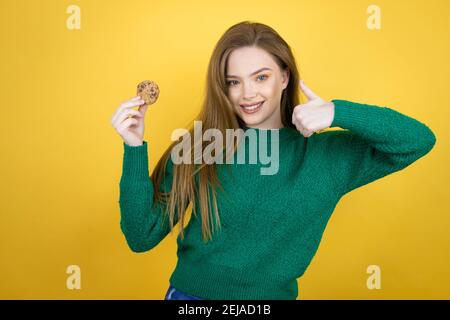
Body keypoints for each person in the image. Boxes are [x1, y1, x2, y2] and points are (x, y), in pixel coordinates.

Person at [110, 21, 436, 300]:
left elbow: (418, 140)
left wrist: (338, 111)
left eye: (261, 77)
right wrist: (134, 147)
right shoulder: (201, 146)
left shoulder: (325, 154)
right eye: (233, 82)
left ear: (284, 76)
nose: (247, 94)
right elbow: (141, 236)